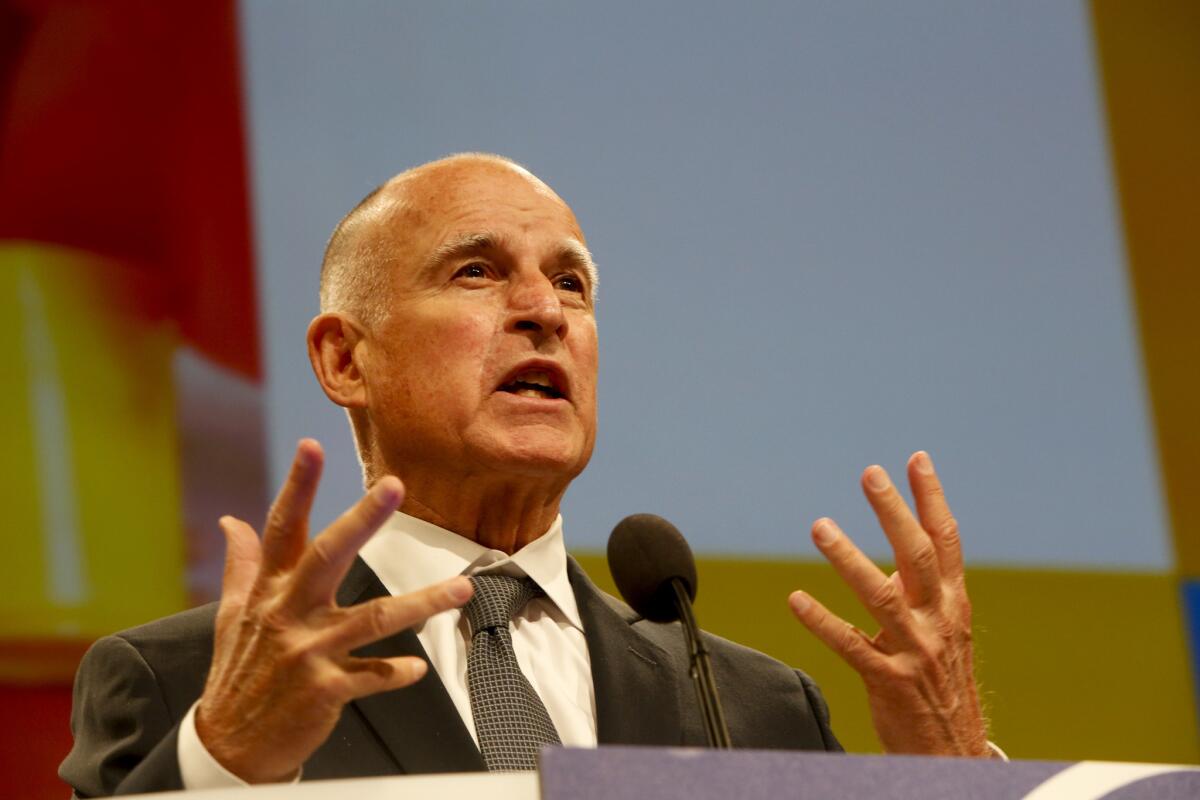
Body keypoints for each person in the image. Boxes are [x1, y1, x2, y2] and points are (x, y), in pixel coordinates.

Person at [60, 154, 992, 796]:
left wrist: (955, 775)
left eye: (574, 284)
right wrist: (226, 767)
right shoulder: (190, 684)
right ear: (346, 361)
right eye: (476, 273)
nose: (545, 310)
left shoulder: (757, 708)